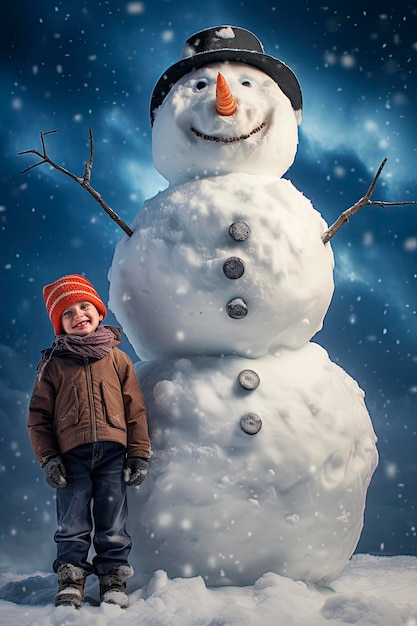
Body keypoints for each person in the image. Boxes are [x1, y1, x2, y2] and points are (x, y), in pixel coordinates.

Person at [27, 274, 151, 609]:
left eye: (84, 306)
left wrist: (139, 452)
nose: (78, 314)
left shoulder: (117, 359)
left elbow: (135, 408)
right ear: (59, 324)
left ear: (98, 312)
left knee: (113, 519)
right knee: (72, 520)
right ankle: (71, 577)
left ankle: (113, 576)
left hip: (113, 453)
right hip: (72, 458)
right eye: (67, 312)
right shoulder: (53, 365)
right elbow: (38, 417)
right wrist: (49, 457)